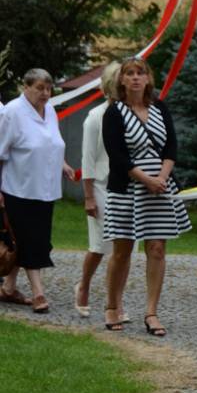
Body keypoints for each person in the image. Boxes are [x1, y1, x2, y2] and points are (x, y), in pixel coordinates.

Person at [102, 57, 191, 335]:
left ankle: (151, 312)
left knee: (157, 249)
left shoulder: (159, 108)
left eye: (140, 73)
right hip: (127, 189)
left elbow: (171, 147)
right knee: (122, 251)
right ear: (122, 80)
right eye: (129, 73)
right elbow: (117, 155)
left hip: (159, 190)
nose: (135, 78)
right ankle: (112, 305)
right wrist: (146, 179)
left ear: (148, 78)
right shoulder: (114, 112)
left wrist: (161, 178)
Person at [0, 68, 75, 312]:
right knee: (31, 241)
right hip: (18, 188)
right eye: (40, 88)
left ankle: (8, 288)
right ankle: (38, 293)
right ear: (26, 87)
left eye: (49, 88)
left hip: (46, 188)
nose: (45, 93)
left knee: (28, 241)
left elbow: (50, 143)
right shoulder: (12, 112)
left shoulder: (49, 110)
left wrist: (62, 164)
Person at [74, 62, 123, 319]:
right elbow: (88, 159)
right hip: (101, 187)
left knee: (123, 250)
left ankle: (115, 302)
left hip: (127, 188)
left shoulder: (133, 115)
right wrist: (89, 197)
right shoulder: (95, 116)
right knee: (99, 246)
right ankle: (83, 285)